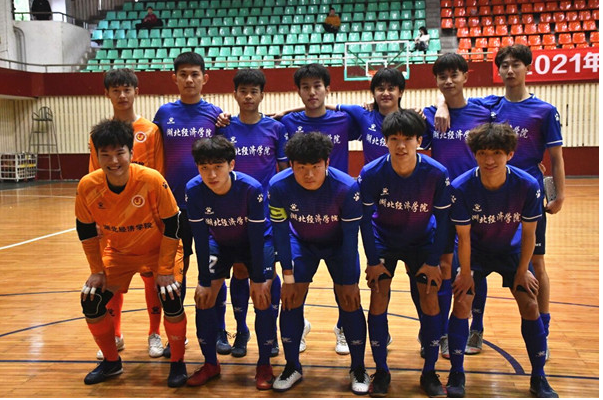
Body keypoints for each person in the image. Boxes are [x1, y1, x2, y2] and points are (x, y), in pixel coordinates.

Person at [436, 44, 565, 359]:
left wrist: (558, 193)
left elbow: (556, 157)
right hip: (486, 195)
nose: (510, 70)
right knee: (474, 264)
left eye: (516, 64)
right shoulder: (490, 106)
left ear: (527, 68)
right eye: (504, 65)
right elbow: (454, 95)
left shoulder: (544, 110)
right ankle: (473, 328)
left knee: (536, 263)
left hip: (525, 195)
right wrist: (441, 105)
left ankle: (542, 330)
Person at [445, 122, 557, 398]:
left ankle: (538, 376)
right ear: (475, 154)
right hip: (475, 252)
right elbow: (464, 238)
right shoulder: (461, 187)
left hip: (511, 251)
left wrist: (523, 270)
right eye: (482, 153)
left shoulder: (527, 185)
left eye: (496, 152)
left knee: (530, 303)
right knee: (462, 301)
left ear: (510, 154)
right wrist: (465, 273)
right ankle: (456, 373)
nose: (489, 160)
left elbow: (529, 233)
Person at [76, 119, 188, 387]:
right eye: (105, 154)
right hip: (119, 253)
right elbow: (86, 231)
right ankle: (111, 362)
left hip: (159, 250)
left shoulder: (151, 179)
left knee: (170, 296)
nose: (113, 161)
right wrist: (96, 271)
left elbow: (174, 224)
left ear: (131, 152)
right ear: (96, 155)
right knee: (91, 300)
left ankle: (177, 362)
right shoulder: (88, 186)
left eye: (120, 153)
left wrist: (164, 270)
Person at [359, 109, 451, 397]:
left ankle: (430, 372)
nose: (401, 146)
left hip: (421, 240)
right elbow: (364, 221)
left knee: (429, 297)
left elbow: (444, 221)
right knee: (378, 293)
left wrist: (434, 261)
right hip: (384, 239)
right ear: (385, 141)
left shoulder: (436, 173)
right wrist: (372, 261)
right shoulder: (371, 173)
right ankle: (382, 371)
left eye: (407, 139)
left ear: (419, 141)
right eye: (394, 139)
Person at [268, 132, 369, 395]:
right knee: (290, 297)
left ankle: (358, 367)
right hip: (301, 243)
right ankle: (292, 366)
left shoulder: (347, 188)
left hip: (339, 245)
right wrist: (287, 276)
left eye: (315, 166)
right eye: (301, 167)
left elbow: (351, 238)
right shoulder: (278, 186)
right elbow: (280, 233)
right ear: (291, 165)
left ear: (327, 162)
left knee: (349, 299)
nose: (309, 174)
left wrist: (349, 280)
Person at [277, 63, 361, 353]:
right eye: (305, 87)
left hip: (338, 210)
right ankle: (298, 327)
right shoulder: (287, 124)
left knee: (345, 281)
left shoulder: (343, 120)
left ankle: (343, 327)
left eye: (317, 86)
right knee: (296, 283)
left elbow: (371, 116)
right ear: (297, 91)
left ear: (328, 89)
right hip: (303, 214)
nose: (312, 92)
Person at [185, 136, 278, 390]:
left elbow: (257, 237)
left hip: (255, 242)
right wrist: (204, 280)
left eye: (218, 167)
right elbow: (200, 238)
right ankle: (210, 364)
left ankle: (264, 364)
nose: (212, 174)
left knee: (262, 296)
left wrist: (257, 278)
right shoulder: (194, 189)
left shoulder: (251, 188)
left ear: (231, 165)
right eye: (204, 168)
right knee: (203, 297)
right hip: (220, 242)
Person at [89, 68, 166, 360]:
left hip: (146, 221)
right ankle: (115, 334)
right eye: (116, 90)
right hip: (113, 222)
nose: (122, 95)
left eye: (127, 89)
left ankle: (154, 333)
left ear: (136, 91)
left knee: (152, 280)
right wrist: (96, 219)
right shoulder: (99, 135)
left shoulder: (151, 131)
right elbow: (94, 178)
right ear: (107, 93)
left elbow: (159, 175)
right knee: (113, 280)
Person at [421, 53, 492, 360]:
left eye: (454, 75)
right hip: (442, 204)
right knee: (445, 267)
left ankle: (475, 326)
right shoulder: (429, 115)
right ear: (436, 81)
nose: (449, 81)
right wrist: (440, 104)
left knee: (474, 268)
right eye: (442, 77)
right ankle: (442, 333)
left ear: (466, 76)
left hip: (477, 201)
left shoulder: (485, 111)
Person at [153, 51, 223, 357]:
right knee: (174, 276)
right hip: (173, 211)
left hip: (209, 209)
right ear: (175, 78)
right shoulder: (163, 113)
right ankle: (175, 337)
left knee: (214, 272)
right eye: (183, 74)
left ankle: (218, 331)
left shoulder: (216, 115)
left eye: (195, 74)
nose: (189, 79)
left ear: (205, 78)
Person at [215, 69, 288, 358]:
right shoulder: (223, 129)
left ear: (262, 95)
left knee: (270, 274)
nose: (248, 96)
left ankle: (271, 335)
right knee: (240, 271)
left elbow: (284, 173)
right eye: (243, 91)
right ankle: (242, 330)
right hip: (233, 215)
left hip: (268, 216)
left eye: (253, 91)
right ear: (234, 94)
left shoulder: (275, 129)